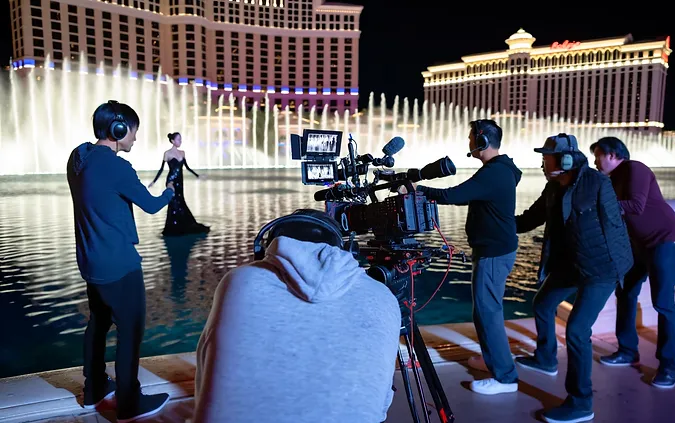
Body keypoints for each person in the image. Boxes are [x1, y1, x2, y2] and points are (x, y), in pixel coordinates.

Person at [193, 209, 401, 423]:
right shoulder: (383, 296)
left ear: (265, 249)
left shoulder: (241, 281)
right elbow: (381, 405)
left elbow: (204, 378)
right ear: (345, 249)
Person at [66, 100, 173, 422]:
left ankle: (94, 388)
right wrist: (169, 192)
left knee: (98, 323)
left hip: (91, 262)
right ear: (119, 129)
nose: (135, 140)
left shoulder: (78, 158)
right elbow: (152, 206)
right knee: (130, 330)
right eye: (133, 132)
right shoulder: (115, 166)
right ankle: (128, 403)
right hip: (119, 263)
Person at [514, 134, 633, 423]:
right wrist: (497, 221)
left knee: (578, 330)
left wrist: (620, 267)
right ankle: (545, 359)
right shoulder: (552, 188)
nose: (543, 162)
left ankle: (581, 403)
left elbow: (614, 225)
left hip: (601, 267)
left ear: (565, 160)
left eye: (547, 157)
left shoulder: (596, 182)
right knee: (543, 303)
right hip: (572, 264)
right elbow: (530, 219)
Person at [399, 119, 523, 396]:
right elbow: (468, 196)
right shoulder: (501, 170)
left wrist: (418, 191)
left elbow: (454, 195)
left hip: (493, 253)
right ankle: (494, 362)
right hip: (495, 250)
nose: (468, 143)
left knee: (488, 313)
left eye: (471, 138)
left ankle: (505, 377)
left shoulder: (494, 173)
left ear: (481, 141)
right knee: (485, 311)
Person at [590, 137, 675, 388]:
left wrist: (599, 205)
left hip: (665, 240)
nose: (595, 161)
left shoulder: (635, 168)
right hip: (639, 244)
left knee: (663, 303)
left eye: (597, 155)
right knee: (626, 292)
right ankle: (627, 350)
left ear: (612, 154)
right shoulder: (612, 179)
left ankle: (670, 366)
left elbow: (636, 205)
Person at [148, 132, 210, 236]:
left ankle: (182, 224)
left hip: (180, 182)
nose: (180, 142)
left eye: (181, 140)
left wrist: (198, 176)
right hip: (171, 181)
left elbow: (188, 168)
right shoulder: (167, 154)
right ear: (172, 141)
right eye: (178, 140)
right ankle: (173, 226)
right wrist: (154, 181)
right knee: (173, 203)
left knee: (181, 202)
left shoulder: (182, 153)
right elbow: (161, 169)